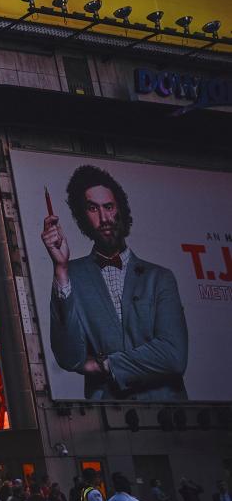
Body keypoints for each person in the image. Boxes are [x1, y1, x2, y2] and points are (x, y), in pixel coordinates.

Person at [42, 164, 188, 400]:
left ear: (121, 209)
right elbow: (70, 358)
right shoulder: (71, 275)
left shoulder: (160, 278)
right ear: (82, 216)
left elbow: (174, 356)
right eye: (92, 208)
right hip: (108, 417)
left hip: (169, 419)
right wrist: (60, 268)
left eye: (108, 207)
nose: (104, 218)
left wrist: (106, 365)